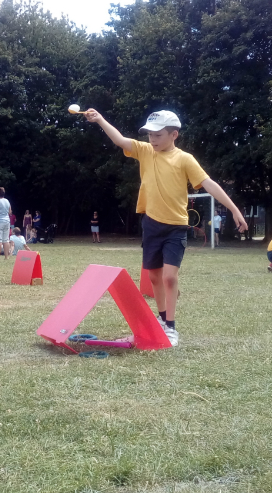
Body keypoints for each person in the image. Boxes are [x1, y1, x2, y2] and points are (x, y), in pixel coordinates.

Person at [85, 108, 249, 346]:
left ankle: (170, 328)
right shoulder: (144, 151)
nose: (152, 139)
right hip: (151, 224)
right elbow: (119, 139)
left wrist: (234, 209)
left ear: (174, 135)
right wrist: (100, 120)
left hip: (176, 227)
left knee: (170, 278)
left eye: (158, 135)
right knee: (154, 278)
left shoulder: (184, 159)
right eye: (149, 134)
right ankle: (162, 320)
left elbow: (209, 184)